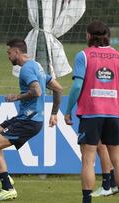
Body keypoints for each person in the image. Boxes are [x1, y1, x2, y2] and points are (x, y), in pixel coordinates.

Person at [0, 38, 63, 201]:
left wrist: (17, 97)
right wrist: (54, 113)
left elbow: (37, 91)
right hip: (24, 117)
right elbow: (58, 88)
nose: (8, 56)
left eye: (9, 52)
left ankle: (8, 187)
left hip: (29, 121)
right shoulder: (36, 66)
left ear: (17, 52)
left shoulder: (26, 70)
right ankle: (4, 178)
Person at [64, 21, 119, 203]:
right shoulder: (117, 56)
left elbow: (77, 85)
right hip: (114, 113)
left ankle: (87, 200)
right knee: (117, 158)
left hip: (91, 113)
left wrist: (68, 110)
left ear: (88, 36)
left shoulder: (84, 55)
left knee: (88, 159)